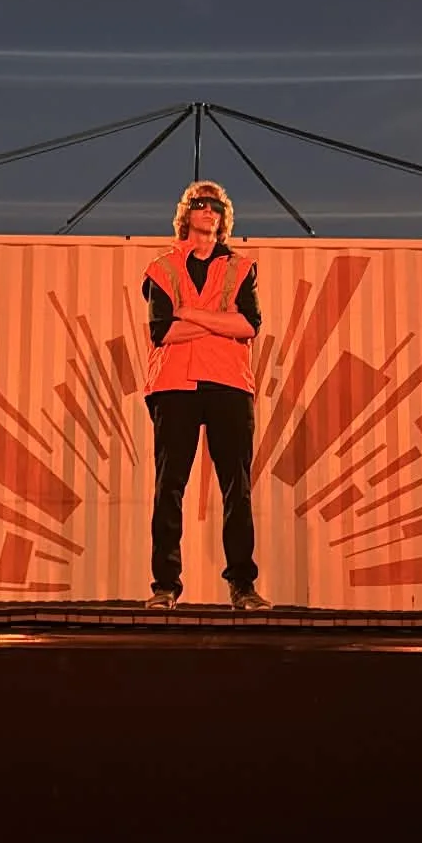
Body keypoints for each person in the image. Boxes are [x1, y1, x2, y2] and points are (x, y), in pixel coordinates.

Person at [141, 180, 269, 611]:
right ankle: (165, 586)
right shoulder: (163, 268)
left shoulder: (239, 267)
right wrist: (219, 320)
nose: (209, 211)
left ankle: (242, 587)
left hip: (228, 383)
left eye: (217, 205)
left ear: (224, 216)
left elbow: (249, 326)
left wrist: (190, 313)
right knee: (169, 487)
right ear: (186, 214)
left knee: (238, 487)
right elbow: (162, 332)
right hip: (174, 385)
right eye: (200, 204)